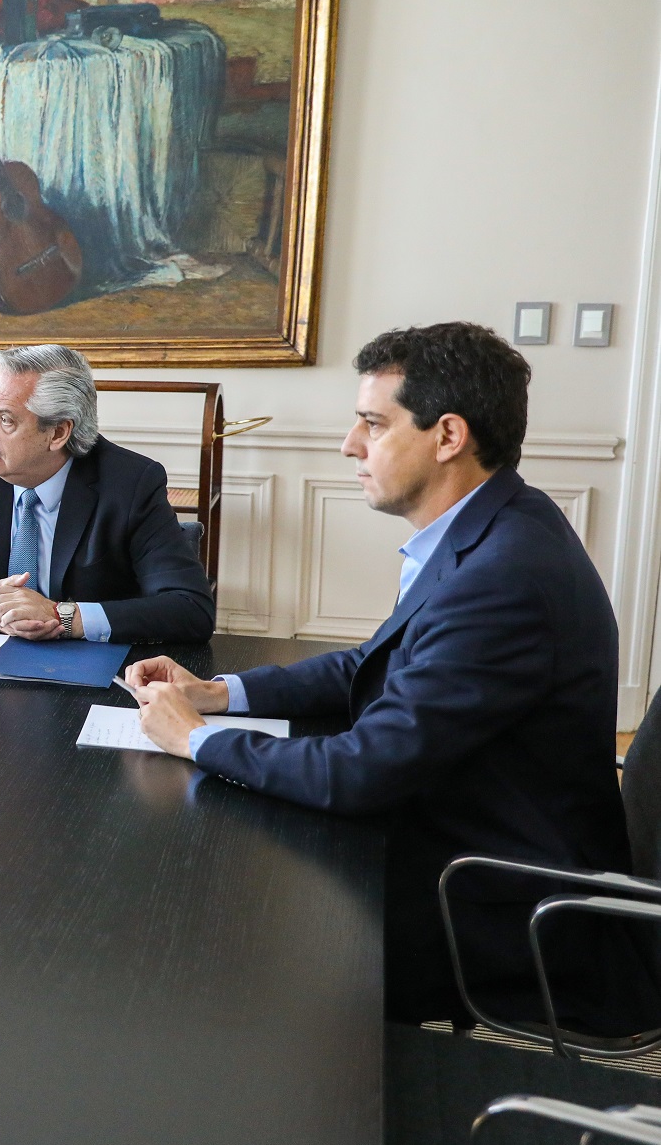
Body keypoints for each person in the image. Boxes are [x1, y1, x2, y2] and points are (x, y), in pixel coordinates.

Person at [129, 322, 651, 1031]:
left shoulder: (505, 577)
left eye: (373, 423)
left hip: (493, 902)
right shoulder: (495, 528)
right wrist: (220, 694)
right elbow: (374, 661)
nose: (350, 444)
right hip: (465, 842)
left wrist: (196, 740)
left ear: (448, 436)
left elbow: (362, 771)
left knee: (224, 948)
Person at [0, 344, 214, 644]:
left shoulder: (130, 485)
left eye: (5, 420)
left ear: (59, 432)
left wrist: (62, 617)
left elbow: (190, 608)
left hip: (90, 678)